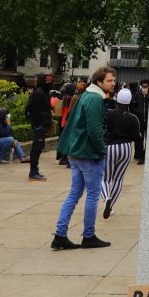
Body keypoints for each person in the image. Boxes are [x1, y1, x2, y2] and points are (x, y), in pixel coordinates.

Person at [51, 67, 117, 250]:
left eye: (113, 80)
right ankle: (88, 236)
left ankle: (60, 234)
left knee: (74, 194)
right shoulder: (96, 98)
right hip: (88, 154)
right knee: (93, 195)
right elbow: (95, 130)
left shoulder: (86, 95)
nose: (113, 83)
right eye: (110, 81)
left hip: (76, 152)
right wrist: (101, 150)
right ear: (99, 82)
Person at [101, 88, 142, 219]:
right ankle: (111, 205)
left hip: (110, 147)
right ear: (130, 101)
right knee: (118, 179)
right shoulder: (133, 118)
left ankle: (106, 198)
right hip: (126, 148)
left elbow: (102, 128)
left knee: (106, 178)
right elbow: (137, 137)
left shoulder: (108, 113)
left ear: (117, 99)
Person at [24, 73, 53, 181]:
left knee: (39, 147)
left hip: (41, 125)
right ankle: (33, 171)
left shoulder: (43, 93)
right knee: (36, 148)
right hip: (39, 125)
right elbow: (32, 110)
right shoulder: (39, 94)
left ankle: (35, 170)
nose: (50, 84)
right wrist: (39, 125)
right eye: (48, 82)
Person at [131, 78, 149, 165]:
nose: (145, 88)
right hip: (139, 121)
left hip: (148, 121)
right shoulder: (136, 95)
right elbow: (132, 108)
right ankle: (138, 155)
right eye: (143, 86)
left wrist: (146, 97)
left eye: (146, 86)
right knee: (139, 139)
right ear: (141, 86)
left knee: (148, 139)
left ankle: (145, 156)